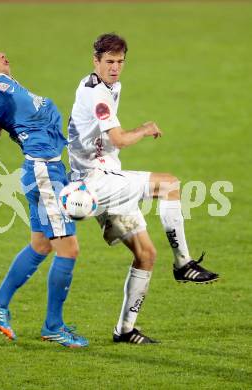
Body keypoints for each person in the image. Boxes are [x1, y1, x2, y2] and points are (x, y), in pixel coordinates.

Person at [67, 33, 219, 344]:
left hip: (103, 178)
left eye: (120, 62)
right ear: (95, 61)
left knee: (146, 255)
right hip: (97, 181)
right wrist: (145, 129)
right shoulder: (97, 95)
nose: (115, 68)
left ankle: (124, 331)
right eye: (109, 62)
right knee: (170, 184)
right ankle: (184, 264)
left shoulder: (108, 87)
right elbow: (120, 138)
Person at [0, 42, 88, 348]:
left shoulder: (6, 90)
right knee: (68, 250)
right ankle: (53, 326)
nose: (2, 53)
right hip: (43, 173)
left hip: (47, 171)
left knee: (41, 244)